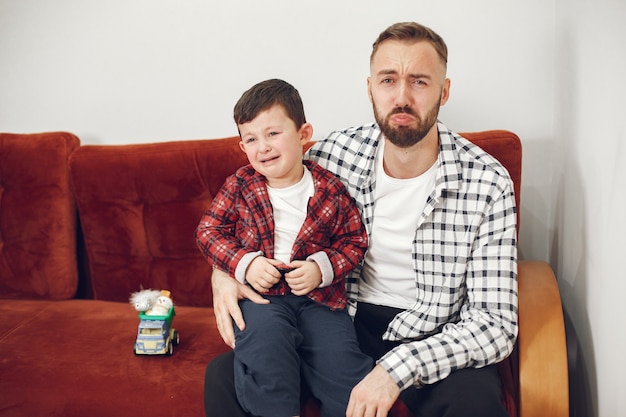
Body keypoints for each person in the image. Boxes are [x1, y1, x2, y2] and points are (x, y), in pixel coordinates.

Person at [205, 22, 518, 417]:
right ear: (370, 88)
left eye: (419, 81)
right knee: (225, 376)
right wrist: (225, 271)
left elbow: (496, 324)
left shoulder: (487, 182)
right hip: (339, 319)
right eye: (389, 80)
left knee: (476, 403)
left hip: (432, 332)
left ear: (444, 90)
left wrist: (396, 370)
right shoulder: (331, 154)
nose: (402, 96)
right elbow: (258, 209)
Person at [195, 78, 373, 417]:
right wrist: (245, 264)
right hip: (263, 298)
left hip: (320, 301)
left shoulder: (330, 189)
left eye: (273, 133)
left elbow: (354, 241)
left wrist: (321, 268)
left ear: (304, 134)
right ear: (242, 146)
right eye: (251, 139)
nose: (263, 147)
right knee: (267, 348)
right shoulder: (240, 185)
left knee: (344, 364)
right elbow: (208, 231)